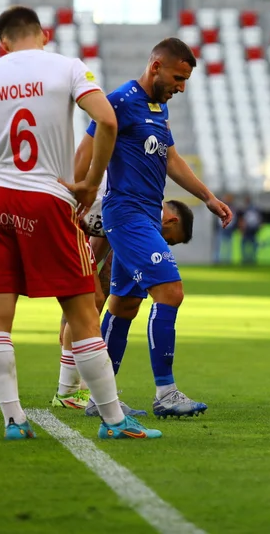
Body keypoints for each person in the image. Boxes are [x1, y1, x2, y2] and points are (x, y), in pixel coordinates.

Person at [0, 5, 160, 440]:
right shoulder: (66, 68)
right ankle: (113, 421)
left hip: (0, 205)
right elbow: (106, 119)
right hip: (48, 200)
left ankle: (14, 420)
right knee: (83, 314)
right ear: (44, 34)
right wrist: (89, 183)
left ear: (3, 42)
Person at [74, 37, 233, 420]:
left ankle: (100, 398)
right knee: (171, 292)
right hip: (127, 214)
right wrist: (76, 197)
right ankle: (166, 392)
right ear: (156, 65)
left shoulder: (157, 108)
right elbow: (85, 150)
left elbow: (171, 159)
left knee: (125, 304)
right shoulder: (119, 101)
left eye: (185, 81)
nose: (181, 87)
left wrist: (208, 197)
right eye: (178, 78)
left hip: (144, 215)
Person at [51, 172, 195, 414]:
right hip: (59, 222)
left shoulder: (129, 213)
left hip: (75, 226)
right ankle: (69, 391)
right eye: (168, 240)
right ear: (170, 221)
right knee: (89, 302)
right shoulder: (127, 202)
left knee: (97, 300)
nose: (163, 243)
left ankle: (80, 392)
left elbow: (100, 257)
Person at [238, 197, 263, 265]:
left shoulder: (252, 209)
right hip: (247, 230)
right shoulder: (245, 210)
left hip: (252, 230)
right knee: (246, 246)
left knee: (252, 246)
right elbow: (241, 220)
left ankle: (251, 259)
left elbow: (259, 219)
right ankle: (246, 259)